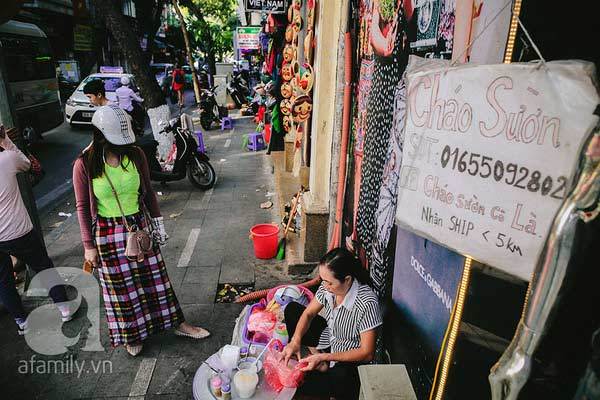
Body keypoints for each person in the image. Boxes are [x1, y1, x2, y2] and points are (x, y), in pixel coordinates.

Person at [72, 105, 210, 356]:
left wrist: (158, 225)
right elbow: (82, 207)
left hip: (140, 227)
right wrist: (88, 246)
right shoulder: (84, 164)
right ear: (100, 134)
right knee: (121, 291)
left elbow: (148, 193)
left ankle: (179, 323)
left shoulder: (135, 155)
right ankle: (132, 335)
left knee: (157, 280)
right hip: (106, 234)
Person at [0, 125, 75, 335]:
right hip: (17, 231)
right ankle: (64, 308)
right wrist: (6, 140)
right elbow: (27, 164)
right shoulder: (7, 159)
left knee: (3, 279)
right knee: (44, 266)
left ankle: (21, 321)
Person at [282, 248, 383, 399]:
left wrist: (326, 357)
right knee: (292, 309)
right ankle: (319, 360)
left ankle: (323, 366)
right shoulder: (327, 287)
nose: (324, 286)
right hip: (331, 338)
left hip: (350, 359)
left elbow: (367, 353)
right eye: (322, 280)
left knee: (307, 384)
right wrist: (295, 341)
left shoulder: (366, 302)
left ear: (347, 280)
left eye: (329, 282)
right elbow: (308, 314)